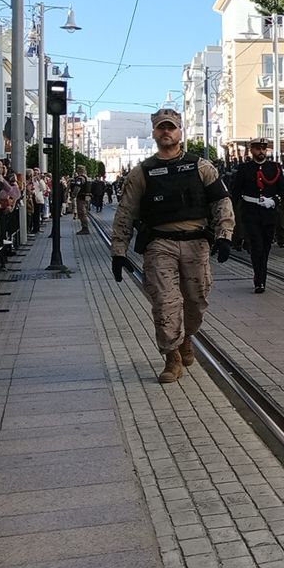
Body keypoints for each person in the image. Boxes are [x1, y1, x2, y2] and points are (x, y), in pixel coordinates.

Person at [109, 108, 234, 384]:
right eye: (161, 128)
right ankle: (172, 356)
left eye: (171, 127)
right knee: (165, 303)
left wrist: (225, 235)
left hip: (196, 244)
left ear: (180, 132)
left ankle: (187, 336)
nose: (167, 132)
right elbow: (126, 212)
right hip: (159, 244)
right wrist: (119, 251)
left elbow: (221, 202)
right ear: (154, 132)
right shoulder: (142, 172)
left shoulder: (202, 167)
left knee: (196, 300)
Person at [233, 137, 284, 293]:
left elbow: (283, 190)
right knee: (257, 246)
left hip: (269, 213)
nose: (261, 151)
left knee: (266, 246)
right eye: (258, 148)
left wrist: (274, 200)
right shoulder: (244, 169)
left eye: (264, 148)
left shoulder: (275, 168)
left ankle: (261, 276)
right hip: (251, 212)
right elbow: (235, 191)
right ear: (252, 150)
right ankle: (259, 280)